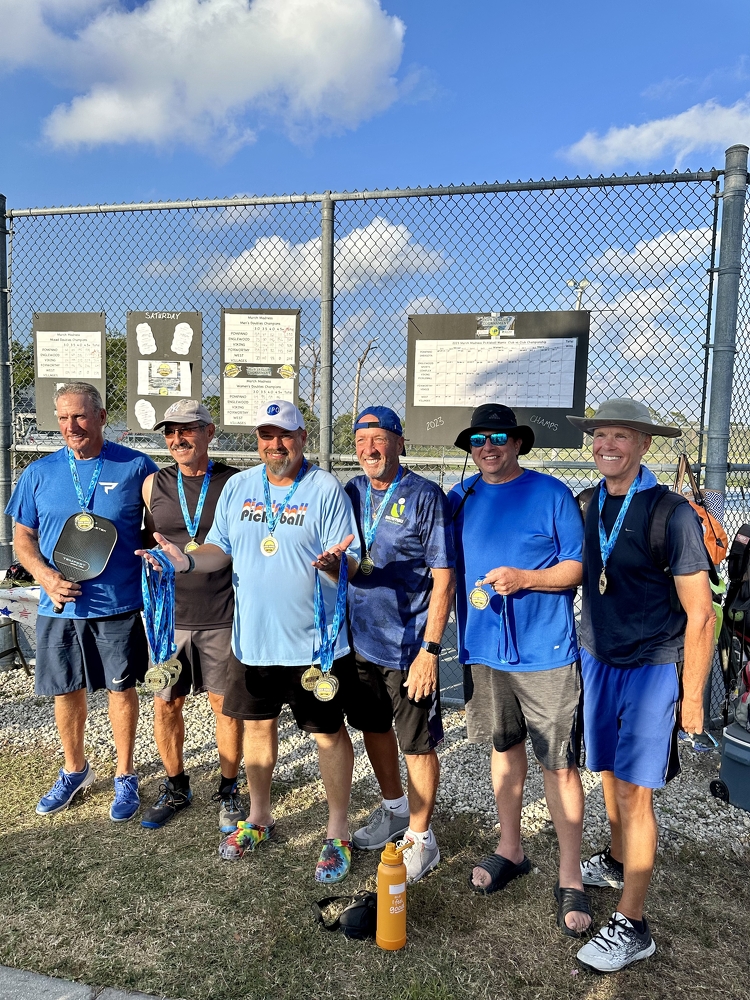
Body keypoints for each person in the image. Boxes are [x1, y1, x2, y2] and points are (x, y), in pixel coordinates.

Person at [140, 400, 361, 883]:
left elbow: (352, 560)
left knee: (327, 734)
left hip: (314, 646)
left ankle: (337, 831)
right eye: (266, 435)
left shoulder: (324, 489)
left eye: (284, 435)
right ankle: (259, 817)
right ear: (257, 440)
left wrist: (335, 565)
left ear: (302, 438)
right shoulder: (239, 487)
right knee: (258, 728)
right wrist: (186, 560)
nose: (275, 445)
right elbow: (219, 548)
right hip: (252, 642)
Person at [567, 398, 716, 972]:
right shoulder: (587, 503)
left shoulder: (671, 514)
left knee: (634, 790)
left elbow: (700, 614)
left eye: (621, 436)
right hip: (599, 659)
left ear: (645, 444)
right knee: (607, 771)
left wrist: (693, 699)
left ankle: (633, 924)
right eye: (600, 435)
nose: (607, 445)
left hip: (652, 667)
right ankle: (615, 857)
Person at [447, 403, 591, 937]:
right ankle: (511, 849)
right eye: (478, 439)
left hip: (545, 652)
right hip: (484, 650)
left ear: (517, 443)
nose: (488, 447)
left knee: (558, 764)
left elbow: (577, 567)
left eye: (498, 438)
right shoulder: (460, 497)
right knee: (503, 749)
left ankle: (570, 875)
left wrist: (526, 578)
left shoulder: (551, 494)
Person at [7, 382, 157, 821]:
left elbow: (159, 527)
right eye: (63, 418)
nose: (70, 426)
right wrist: (45, 577)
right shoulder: (39, 472)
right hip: (59, 604)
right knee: (65, 689)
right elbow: (22, 538)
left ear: (102, 417)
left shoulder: (136, 467)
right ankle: (75, 770)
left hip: (117, 603)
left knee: (121, 688)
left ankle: (125, 774)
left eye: (79, 416)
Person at [344, 407, 455, 882]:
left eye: (380, 439)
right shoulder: (350, 491)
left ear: (399, 442)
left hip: (409, 648)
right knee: (372, 727)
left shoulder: (425, 496)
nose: (369, 449)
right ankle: (394, 809)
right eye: (361, 440)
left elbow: (445, 578)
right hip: (360, 643)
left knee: (416, 744)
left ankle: (422, 838)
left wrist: (430, 651)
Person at [140, 399, 244, 832]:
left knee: (225, 705)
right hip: (168, 617)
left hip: (222, 612)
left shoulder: (235, 482)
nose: (177, 439)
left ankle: (229, 788)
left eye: (187, 429)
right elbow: (145, 539)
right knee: (167, 702)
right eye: (170, 431)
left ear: (209, 432)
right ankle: (176, 787)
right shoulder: (152, 485)